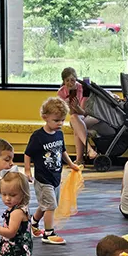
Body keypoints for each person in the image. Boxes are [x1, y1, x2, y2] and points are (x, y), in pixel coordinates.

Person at [26, 97, 80, 245]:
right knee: (51, 206)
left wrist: (71, 164)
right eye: (56, 120)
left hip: (55, 176)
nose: (60, 124)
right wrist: (27, 171)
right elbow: (28, 153)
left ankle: (33, 223)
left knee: (47, 204)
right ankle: (48, 233)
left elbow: (62, 151)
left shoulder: (59, 134)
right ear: (45, 117)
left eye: (62, 120)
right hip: (43, 178)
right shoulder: (38, 137)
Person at [58, 67, 99, 166]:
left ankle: (84, 154)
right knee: (75, 121)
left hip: (90, 116)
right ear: (63, 81)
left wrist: (76, 106)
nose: (70, 83)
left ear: (76, 79)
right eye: (67, 80)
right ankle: (83, 156)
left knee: (75, 121)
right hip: (77, 118)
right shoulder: (61, 92)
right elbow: (71, 113)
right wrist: (69, 105)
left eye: (72, 80)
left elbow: (84, 113)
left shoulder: (83, 88)